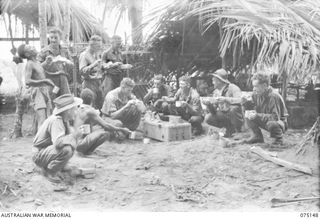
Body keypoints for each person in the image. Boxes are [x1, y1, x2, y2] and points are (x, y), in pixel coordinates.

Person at [32, 94, 82, 183]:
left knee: (70, 144)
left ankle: (59, 166)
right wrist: (74, 136)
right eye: (75, 109)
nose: (77, 111)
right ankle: (51, 171)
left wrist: (74, 136)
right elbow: (58, 143)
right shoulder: (56, 120)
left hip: (45, 151)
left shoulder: (64, 120)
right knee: (67, 149)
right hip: (39, 154)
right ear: (68, 111)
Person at [75, 88, 131, 155]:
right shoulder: (90, 111)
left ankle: (85, 149)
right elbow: (106, 125)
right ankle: (88, 151)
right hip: (81, 144)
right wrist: (122, 129)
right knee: (105, 134)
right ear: (92, 100)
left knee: (94, 128)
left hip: (76, 142)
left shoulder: (79, 109)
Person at [242, 73, 288, 146]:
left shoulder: (273, 96)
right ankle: (257, 136)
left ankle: (278, 140)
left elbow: (275, 117)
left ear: (264, 86)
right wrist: (245, 103)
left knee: (271, 124)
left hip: (279, 123)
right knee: (248, 113)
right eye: (253, 86)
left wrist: (257, 115)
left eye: (256, 86)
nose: (254, 89)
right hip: (265, 118)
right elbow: (252, 108)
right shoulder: (256, 94)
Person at [18, 44, 56, 131]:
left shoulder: (37, 63)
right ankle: (39, 142)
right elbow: (27, 81)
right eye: (30, 47)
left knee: (48, 118)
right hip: (37, 92)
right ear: (27, 54)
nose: (33, 46)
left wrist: (46, 62)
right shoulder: (29, 64)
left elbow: (40, 72)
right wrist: (44, 81)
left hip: (44, 91)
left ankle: (45, 140)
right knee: (42, 119)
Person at [203, 69, 244, 137]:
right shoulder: (216, 92)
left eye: (213, 80)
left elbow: (240, 100)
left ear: (219, 81)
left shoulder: (233, 88)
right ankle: (229, 130)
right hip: (224, 115)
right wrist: (209, 105)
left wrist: (225, 99)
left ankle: (238, 131)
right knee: (208, 117)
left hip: (235, 116)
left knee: (234, 108)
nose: (212, 83)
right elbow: (214, 112)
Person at [38, 27, 73, 96]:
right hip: (50, 82)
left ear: (60, 38)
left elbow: (72, 65)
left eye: (56, 38)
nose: (53, 40)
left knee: (65, 101)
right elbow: (37, 68)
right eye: (51, 37)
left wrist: (66, 61)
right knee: (51, 102)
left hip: (63, 81)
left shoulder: (65, 51)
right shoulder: (44, 52)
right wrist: (46, 63)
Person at [79, 35, 103, 109]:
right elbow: (82, 71)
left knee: (99, 105)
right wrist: (93, 65)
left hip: (98, 83)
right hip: (89, 83)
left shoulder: (96, 54)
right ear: (92, 46)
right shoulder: (84, 55)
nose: (100, 48)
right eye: (98, 46)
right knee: (89, 106)